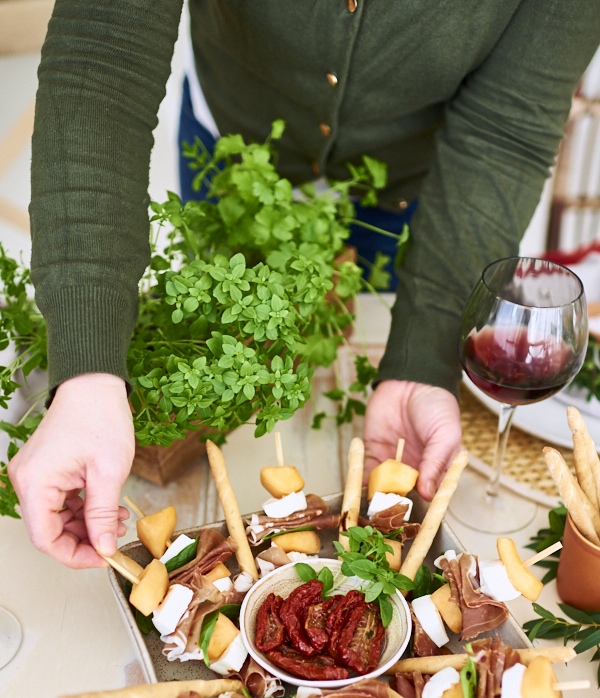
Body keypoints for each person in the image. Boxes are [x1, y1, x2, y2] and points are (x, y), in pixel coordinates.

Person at [8, 0, 600, 569]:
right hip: (234, 153)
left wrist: (422, 359)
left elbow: (505, 134)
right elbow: (101, 61)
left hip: (419, 194)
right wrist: (87, 372)